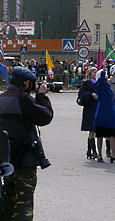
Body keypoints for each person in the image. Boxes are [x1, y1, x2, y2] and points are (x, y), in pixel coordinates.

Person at [0, 66, 53, 220]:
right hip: (24, 161)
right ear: (25, 83)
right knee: (23, 206)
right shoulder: (23, 98)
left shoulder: (2, 98)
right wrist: (41, 96)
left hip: (6, 160)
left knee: (7, 204)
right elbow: (45, 116)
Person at [93, 69, 115, 163]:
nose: (106, 76)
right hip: (102, 113)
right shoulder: (99, 85)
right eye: (104, 75)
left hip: (110, 113)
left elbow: (112, 99)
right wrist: (103, 69)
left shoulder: (108, 86)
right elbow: (101, 80)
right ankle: (99, 155)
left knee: (112, 135)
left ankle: (113, 155)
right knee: (100, 136)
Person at [78, 67, 99, 160]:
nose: (95, 74)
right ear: (90, 75)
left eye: (96, 72)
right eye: (94, 72)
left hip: (98, 108)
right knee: (92, 130)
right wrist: (91, 94)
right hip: (90, 109)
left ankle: (89, 151)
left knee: (96, 130)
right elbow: (81, 95)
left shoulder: (99, 83)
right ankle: (93, 151)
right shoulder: (86, 83)